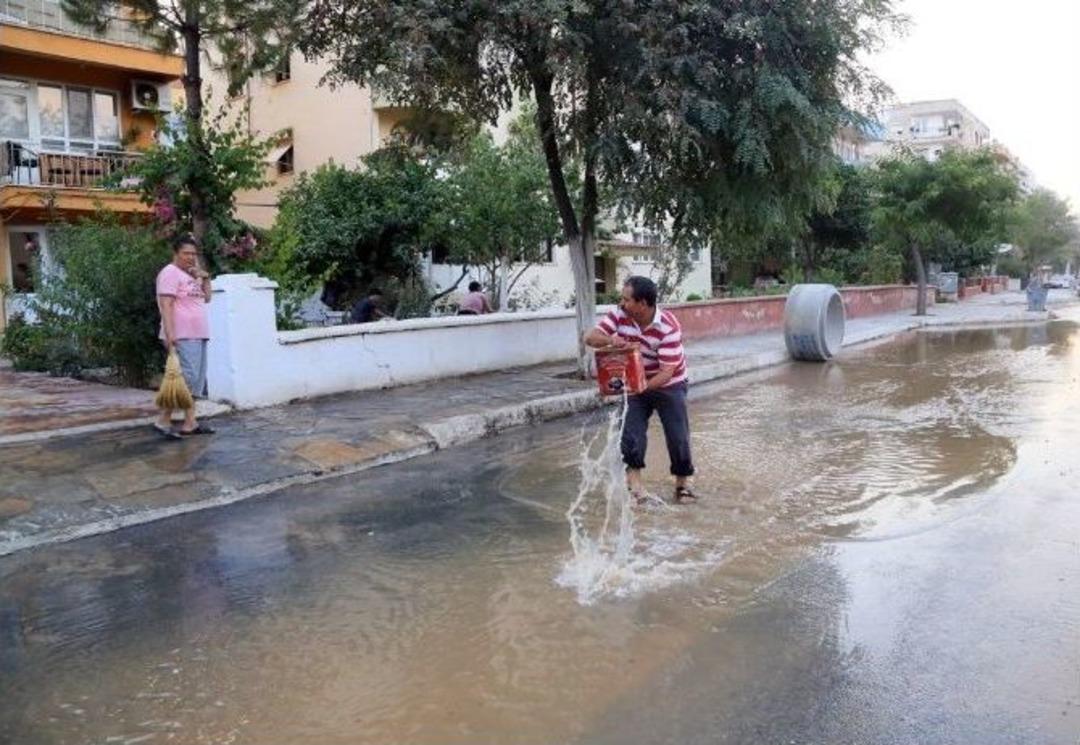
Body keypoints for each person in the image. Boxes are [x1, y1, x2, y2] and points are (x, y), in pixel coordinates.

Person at [584, 275, 696, 504]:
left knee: (678, 435)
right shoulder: (619, 315)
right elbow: (589, 337)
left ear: (643, 303)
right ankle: (635, 487)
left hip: (669, 383)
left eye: (626, 299)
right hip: (634, 381)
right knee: (630, 433)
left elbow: (666, 373)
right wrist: (612, 341)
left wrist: (637, 388)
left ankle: (682, 485)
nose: (621, 303)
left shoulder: (668, 326)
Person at [155, 234, 215, 440]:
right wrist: (170, 334)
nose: (190, 257)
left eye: (193, 254)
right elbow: (166, 305)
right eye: (186, 253)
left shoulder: (190, 275)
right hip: (182, 334)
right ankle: (163, 420)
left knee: (195, 381)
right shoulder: (169, 273)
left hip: (198, 334)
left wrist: (205, 278)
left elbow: (207, 298)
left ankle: (190, 423)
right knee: (185, 379)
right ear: (175, 253)